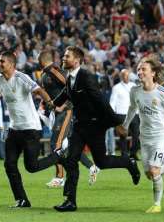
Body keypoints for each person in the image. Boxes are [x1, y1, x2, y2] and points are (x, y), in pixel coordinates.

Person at [0, 50, 61, 208]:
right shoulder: (0, 80)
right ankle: (22, 200)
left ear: (11, 64)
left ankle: (59, 155)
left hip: (31, 128)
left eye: (2, 61)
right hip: (15, 129)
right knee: (9, 165)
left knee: (32, 167)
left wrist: (50, 103)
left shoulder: (21, 77)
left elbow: (38, 90)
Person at [52, 46, 141, 212]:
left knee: (101, 162)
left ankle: (129, 162)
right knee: (71, 160)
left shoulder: (87, 76)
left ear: (77, 60)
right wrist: (52, 103)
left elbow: (100, 100)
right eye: (64, 55)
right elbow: (66, 92)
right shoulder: (70, 77)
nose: (63, 58)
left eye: (67, 56)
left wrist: (117, 123)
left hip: (94, 125)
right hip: (79, 126)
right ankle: (70, 201)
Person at [116, 58, 164, 213]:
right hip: (145, 136)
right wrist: (125, 126)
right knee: (150, 174)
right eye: (139, 69)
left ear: (153, 73)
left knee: (154, 170)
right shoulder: (135, 91)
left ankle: (157, 204)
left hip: (161, 135)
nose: (140, 72)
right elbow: (132, 109)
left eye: (144, 69)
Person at [38, 50, 99, 188]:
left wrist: (64, 105)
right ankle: (91, 166)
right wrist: (45, 104)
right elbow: (48, 94)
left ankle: (60, 177)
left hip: (66, 112)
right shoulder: (44, 74)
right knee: (66, 146)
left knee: (56, 144)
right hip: (55, 113)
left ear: (42, 60)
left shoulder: (54, 71)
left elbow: (71, 85)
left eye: (38, 59)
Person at [109, 69, 138, 159]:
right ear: (121, 76)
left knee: (136, 134)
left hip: (133, 113)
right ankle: (124, 154)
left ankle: (133, 153)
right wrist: (112, 114)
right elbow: (112, 102)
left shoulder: (134, 86)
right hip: (121, 114)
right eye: (125, 75)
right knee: (123, 135)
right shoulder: (116, 87)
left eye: (128, 75)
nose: (127, 77)